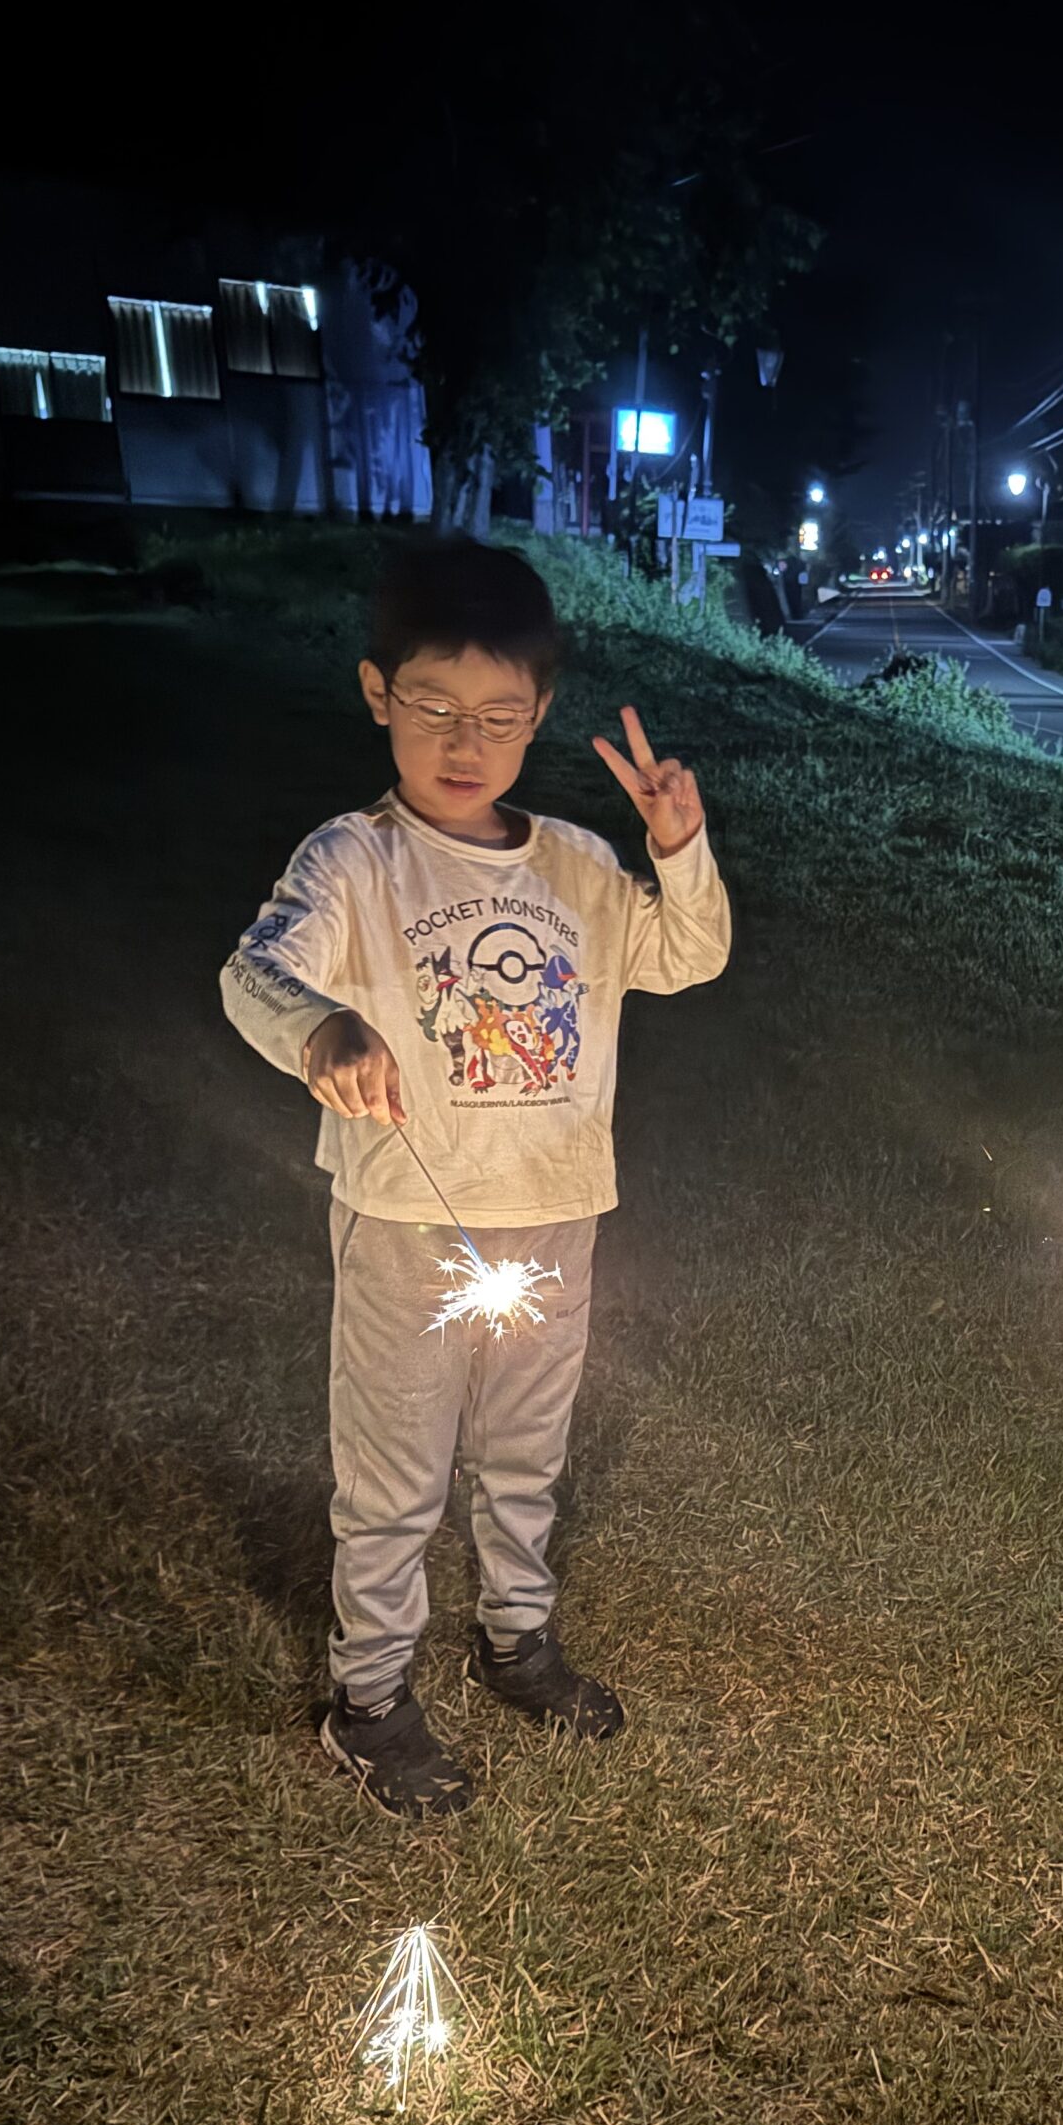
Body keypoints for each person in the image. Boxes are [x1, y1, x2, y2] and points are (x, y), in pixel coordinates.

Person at [221, 540, 730, 1816]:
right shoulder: (356, 861)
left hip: (556, 1214)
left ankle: (517, 1640)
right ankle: (370, 1696)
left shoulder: (577, 865)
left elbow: (688, 957)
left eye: (499, 717)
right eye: (435, 707)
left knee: (524, 1451)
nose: (466, 742)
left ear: (539, 714)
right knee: (396, 1468)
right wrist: (322, 1031)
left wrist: (678, 848)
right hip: (408, 1221)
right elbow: (253, 973)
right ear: (378, 693)